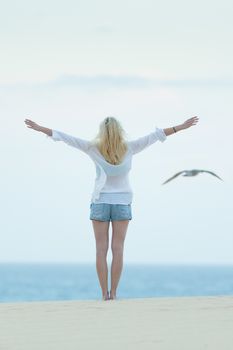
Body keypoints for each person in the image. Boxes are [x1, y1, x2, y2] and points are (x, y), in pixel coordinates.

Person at [24, 115, 199, 301]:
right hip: (122, 202)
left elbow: (65, 137)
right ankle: (114, 293)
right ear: (119, 131)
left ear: (102, 132)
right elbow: (156, 136)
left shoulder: (92, 148)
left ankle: (103, 294)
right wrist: (180, 126)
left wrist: (40, 128)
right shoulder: (130, 148)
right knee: (118, 249)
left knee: (101, 250)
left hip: (100, 202)